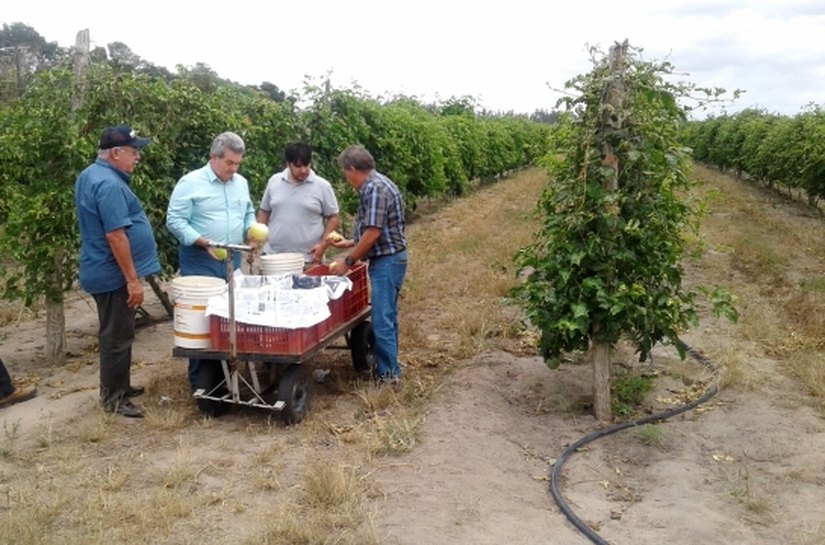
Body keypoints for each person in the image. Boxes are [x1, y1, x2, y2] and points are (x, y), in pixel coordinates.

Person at [75, 124, 160, 418]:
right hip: (112, 274)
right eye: (133, 151)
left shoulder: (92, 174)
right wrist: (132, 280)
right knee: (116, 337)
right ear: (115, 153)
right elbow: (116, 236)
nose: (137, 157)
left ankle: (120, 386)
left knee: (120, 332)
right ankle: (113, 398)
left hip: (103, 268)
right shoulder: (109, 184)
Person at [166, 131, 257, 390]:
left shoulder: (240, 183)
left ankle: (227, 377)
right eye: (229, 162)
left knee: (228, 317)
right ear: (213, 157)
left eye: (237, 163)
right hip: (200, 259)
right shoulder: (190, 183)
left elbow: (248, 212)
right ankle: (203, 385)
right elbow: (174, 221)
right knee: (202, 321)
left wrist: (251, 230)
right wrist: (201, 241)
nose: (233, 168)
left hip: (231, 258)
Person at [330, 145, 408, 385]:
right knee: (387, 316)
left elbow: (373, 233)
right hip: (390, 259)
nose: (347, 179)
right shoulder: (379, 183)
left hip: (387, 262)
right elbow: (376, 230)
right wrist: (350, 243)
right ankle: (390, 367)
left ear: (353, 169)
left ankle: (388, 376)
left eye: (346, 173)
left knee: (382, 319)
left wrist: (348, 261)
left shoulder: (374, 189)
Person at [257, 142, 341, 265]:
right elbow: (264, 212)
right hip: (273, 256)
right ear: (288, 164)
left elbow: (333, 217)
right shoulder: (274, 181)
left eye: (306, 165)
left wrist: (323, 245)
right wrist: (258, 240)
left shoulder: (322, 186)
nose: (303, 170)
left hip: (309, 259)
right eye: (298, 166)